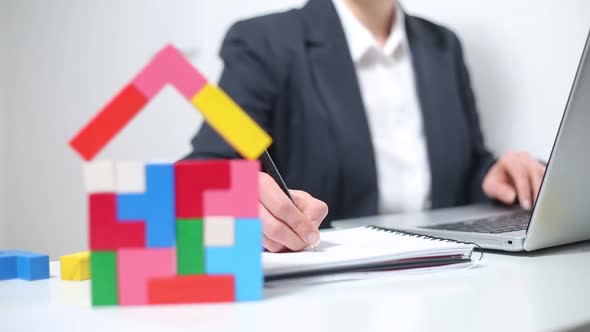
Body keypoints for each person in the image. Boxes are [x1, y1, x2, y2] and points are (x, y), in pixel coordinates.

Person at [184, 0, 546, 252]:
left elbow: (464, 166)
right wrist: (238, 196)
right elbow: (202, 171)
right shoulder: (261, 43)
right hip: (327, 297)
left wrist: (492, 176)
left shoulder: (443, 46)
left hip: (448, 275)